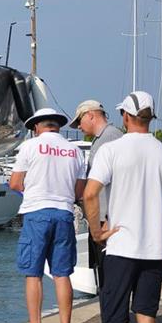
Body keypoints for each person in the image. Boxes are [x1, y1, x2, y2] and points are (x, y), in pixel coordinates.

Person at [69, 91, 162, 323]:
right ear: (151, 117)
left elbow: (90, 194)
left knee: (113, 318)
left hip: (120, 245)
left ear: (126, 117)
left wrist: (96, 231)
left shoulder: (113, 150)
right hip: (153, 249)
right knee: (146, 316)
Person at [9, 107, 86, 323]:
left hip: (37, 213)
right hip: (64, 213)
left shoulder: (31, 147)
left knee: (33, 273)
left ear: (36, 128)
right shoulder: (75, 150)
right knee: (62, 274)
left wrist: (31, 191)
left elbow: (15, 183)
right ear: (58, 126)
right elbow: (80, 191)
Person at [68, 99, 122, 292]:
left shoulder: (110, 138)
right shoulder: (102, 139)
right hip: (101, 216)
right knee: (102, 273)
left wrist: (109, 217)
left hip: (106, 218)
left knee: (110, 275)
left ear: (90, 115)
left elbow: (119, 180)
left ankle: (115, 320)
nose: (79, 127)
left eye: (79, 121)